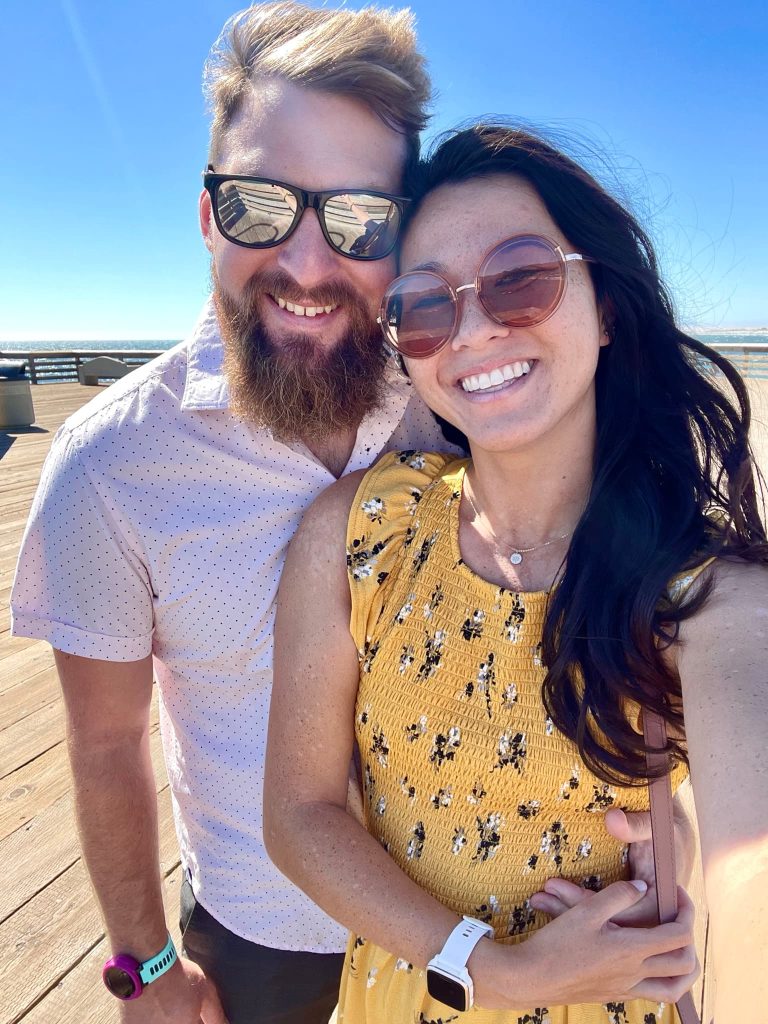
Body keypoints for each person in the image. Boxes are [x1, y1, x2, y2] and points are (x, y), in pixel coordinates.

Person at [264, 123, 768, 1022]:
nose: (474, 328)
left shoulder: (694, 591)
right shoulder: (358, 534)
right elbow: (299, 815)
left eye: (522, 278)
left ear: (605, 306)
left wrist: (695, 860)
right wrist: (488, 967)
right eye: (424, 307)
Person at [10, 4, 452, 1022]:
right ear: (208, 214)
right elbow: (105, 743)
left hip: (469, 909)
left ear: (402, 237)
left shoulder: (455, 397)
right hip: (266, 932)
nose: (305, 264)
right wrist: (144, 969)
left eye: (357, 219)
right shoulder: (111, 464)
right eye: (260, 205)